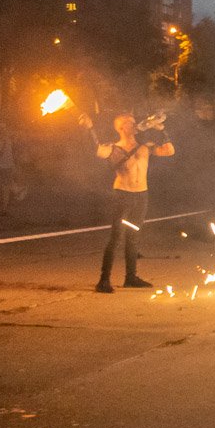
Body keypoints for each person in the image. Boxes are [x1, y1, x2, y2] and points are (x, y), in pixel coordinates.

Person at [78, 112, 174, 293]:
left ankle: (131, 277)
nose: (135, 124)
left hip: (141, 196)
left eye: (134, 122)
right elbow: (97, 150)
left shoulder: (145, 147)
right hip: (123, 195)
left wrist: (162, 130)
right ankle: (103, 280)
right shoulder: (114, 148)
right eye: (130, 123)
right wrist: (89, 128)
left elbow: (169, 150)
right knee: (116, 238)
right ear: (121, 128)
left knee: (133, 237)